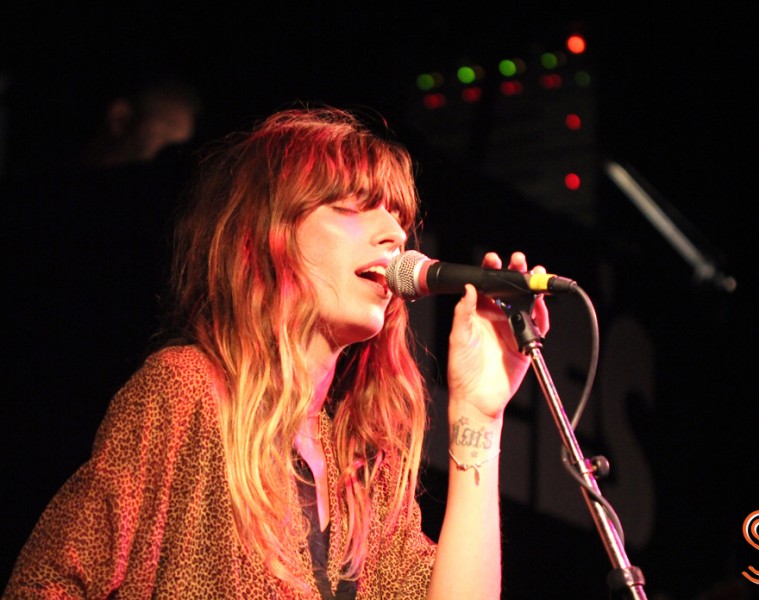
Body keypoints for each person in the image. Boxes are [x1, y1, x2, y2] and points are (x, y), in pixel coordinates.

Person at [3, 106, 549, 599]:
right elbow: (44, 583)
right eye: (353, 206)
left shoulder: (361, 460)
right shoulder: (187, 391)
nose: (394, 234)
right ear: (269, 235)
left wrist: (479, 415)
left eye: (399, 219)